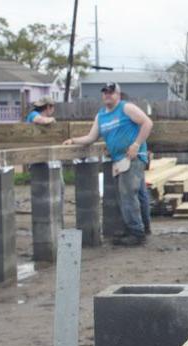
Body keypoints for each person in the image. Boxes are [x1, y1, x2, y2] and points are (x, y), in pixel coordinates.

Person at [63, 82, 153, 246]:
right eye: (105, 92)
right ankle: (143, 228)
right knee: (139, 194)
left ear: (118, 94)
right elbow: (91, 137)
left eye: (111, 92)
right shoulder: (101, 116)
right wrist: (74, 140)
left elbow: (147, 123)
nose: (107, 95)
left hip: (132, 157)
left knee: (127, 194)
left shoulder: (126, 108)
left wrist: (136, 144)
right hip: (119, 159)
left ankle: (136, 233)